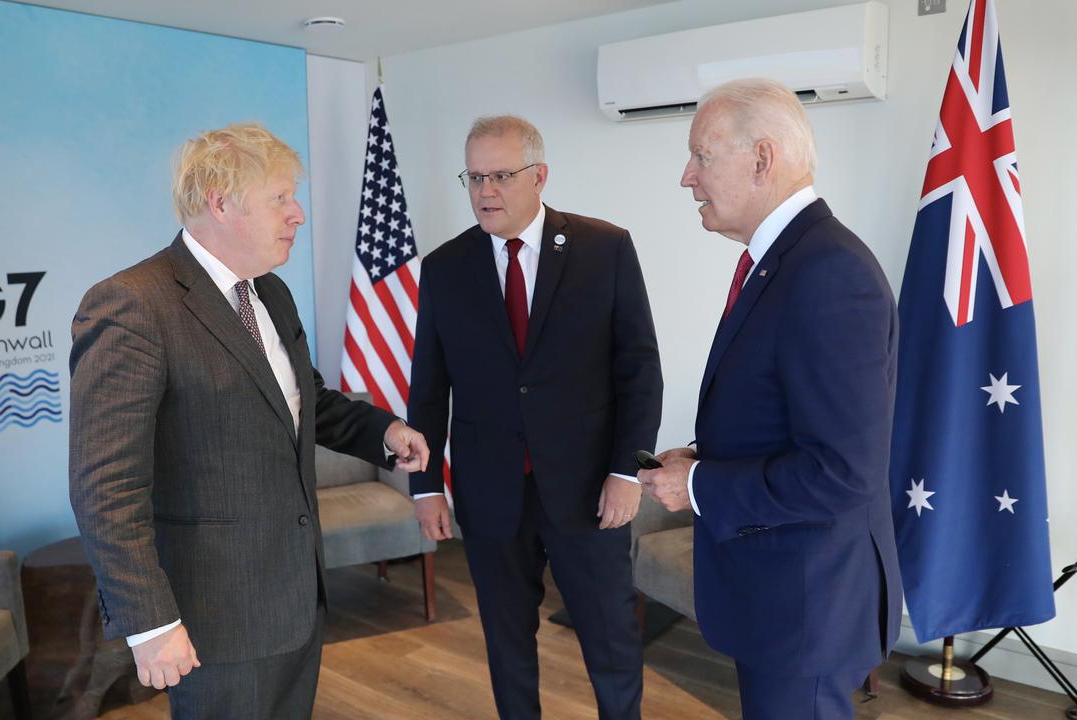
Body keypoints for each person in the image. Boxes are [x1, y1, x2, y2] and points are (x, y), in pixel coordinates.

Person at [68, 122, 429, 720]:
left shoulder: (271, 294)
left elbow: (297, 400)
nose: (298, 215)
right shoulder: (132, 304)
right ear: (221, 203)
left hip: (296, 597)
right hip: (213, 614)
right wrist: (150, 622)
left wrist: (382, 432)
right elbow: (104, 486)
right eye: (281, 199)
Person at [641, 78, 903, 719]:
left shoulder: (827, 271)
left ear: (762, 160)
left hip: (807, 606)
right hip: (782, 596)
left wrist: (700, 485)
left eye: (701, 156)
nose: (686, 177)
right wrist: (706, 454)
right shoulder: (787, 260)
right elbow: (787, 414)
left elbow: (841, 471)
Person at [408, 115, 662, 719]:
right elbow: (428, 387)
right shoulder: (444, 268)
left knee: (610, 637)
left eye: (501, 175)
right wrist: (424, 485)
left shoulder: (606, 249)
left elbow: (640, 370)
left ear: (540, 176)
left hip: (587, 490)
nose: (485, 191)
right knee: (507, 641)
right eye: (473, 177)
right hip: (490, 491)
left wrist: (627, 473)